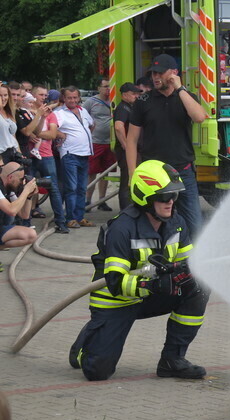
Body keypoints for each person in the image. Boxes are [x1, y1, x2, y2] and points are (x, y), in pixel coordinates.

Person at [68, 160, 208, 381]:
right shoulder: (122, 229)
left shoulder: (176, 222)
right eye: (164, 196)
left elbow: (188, 261)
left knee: (199, 288)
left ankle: (172, 360)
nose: (170, 202)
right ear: (145, 196)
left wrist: (188, 275)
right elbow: (113, 282)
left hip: (150, 296)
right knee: (97, 372)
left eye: (174, 196)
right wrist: (150, 285)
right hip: (117, 301)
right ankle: (87, 341)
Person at [126, 54, 207, 238]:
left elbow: (200, 117)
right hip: (154, 175)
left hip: (182, 172)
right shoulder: (143, 101)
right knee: (153, 223)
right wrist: (132, 173)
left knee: (195, 225)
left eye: (160, 73)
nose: (155, 77)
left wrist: (180, 89)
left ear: (174, 73)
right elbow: (131, 140)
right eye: (153, 73)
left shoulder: (186, 97)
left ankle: (191, 263)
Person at [28, 85, 69, 233]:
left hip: (46, 156)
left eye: (46, 95)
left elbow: (52, 135)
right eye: (41, 95)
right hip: (28, 156)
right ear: (33, 96)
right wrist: (31, 131)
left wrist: (34, 133)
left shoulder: (50, 114)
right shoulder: (26, 112)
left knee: (54, 189)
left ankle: (60, 222)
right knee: (25, 190)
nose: (44, 98)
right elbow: (24, 131)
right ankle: (24, 222)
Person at [54, 86, 95, 229]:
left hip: (84, 154)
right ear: (64, 99)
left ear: (78, 98)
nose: (72, 100)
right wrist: (60, 135)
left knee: (81, 188)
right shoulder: (59, 113)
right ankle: (70, 218)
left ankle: (79, 217)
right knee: (71, 187)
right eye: (69, 98)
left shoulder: (83, 110)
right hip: (70, 154)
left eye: (75, 97)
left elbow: (91, 125)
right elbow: (52, 128)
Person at [84, 79, 115, 212]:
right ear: (99, 88)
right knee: (92, 172)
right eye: (105, 86)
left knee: (105, 173)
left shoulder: (115, 101)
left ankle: (102, 201)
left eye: (110, 86)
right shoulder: (91, 102)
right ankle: (87, 200)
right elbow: (82, 117)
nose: (108, 89)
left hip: (111, 142)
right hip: (95, 142)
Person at [0, 161, 38, 265]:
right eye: (20, 179)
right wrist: (25, 191)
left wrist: (29, 196)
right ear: (10, 177)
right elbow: (12, 211)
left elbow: (24, 215)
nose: (22, 182)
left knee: (30, 235)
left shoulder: (8, 188)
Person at [112, 82, 142, 210]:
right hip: (127, 151)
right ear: (124, 95)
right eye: (133, 94)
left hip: (133, 150)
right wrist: (126, 146)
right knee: (127, 181)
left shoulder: (129, 107)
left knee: (133, 180)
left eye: (137, 93)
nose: (136, 96)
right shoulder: (122, 108)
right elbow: (118, 127)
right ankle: (126, 212)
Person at [0, 85, 19, 164]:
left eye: (5, 95)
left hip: (13, 152)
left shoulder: (9, 111)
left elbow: (13, 136)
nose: (3, 99)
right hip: (1, 155)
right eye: (0, 95)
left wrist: (19, 153)